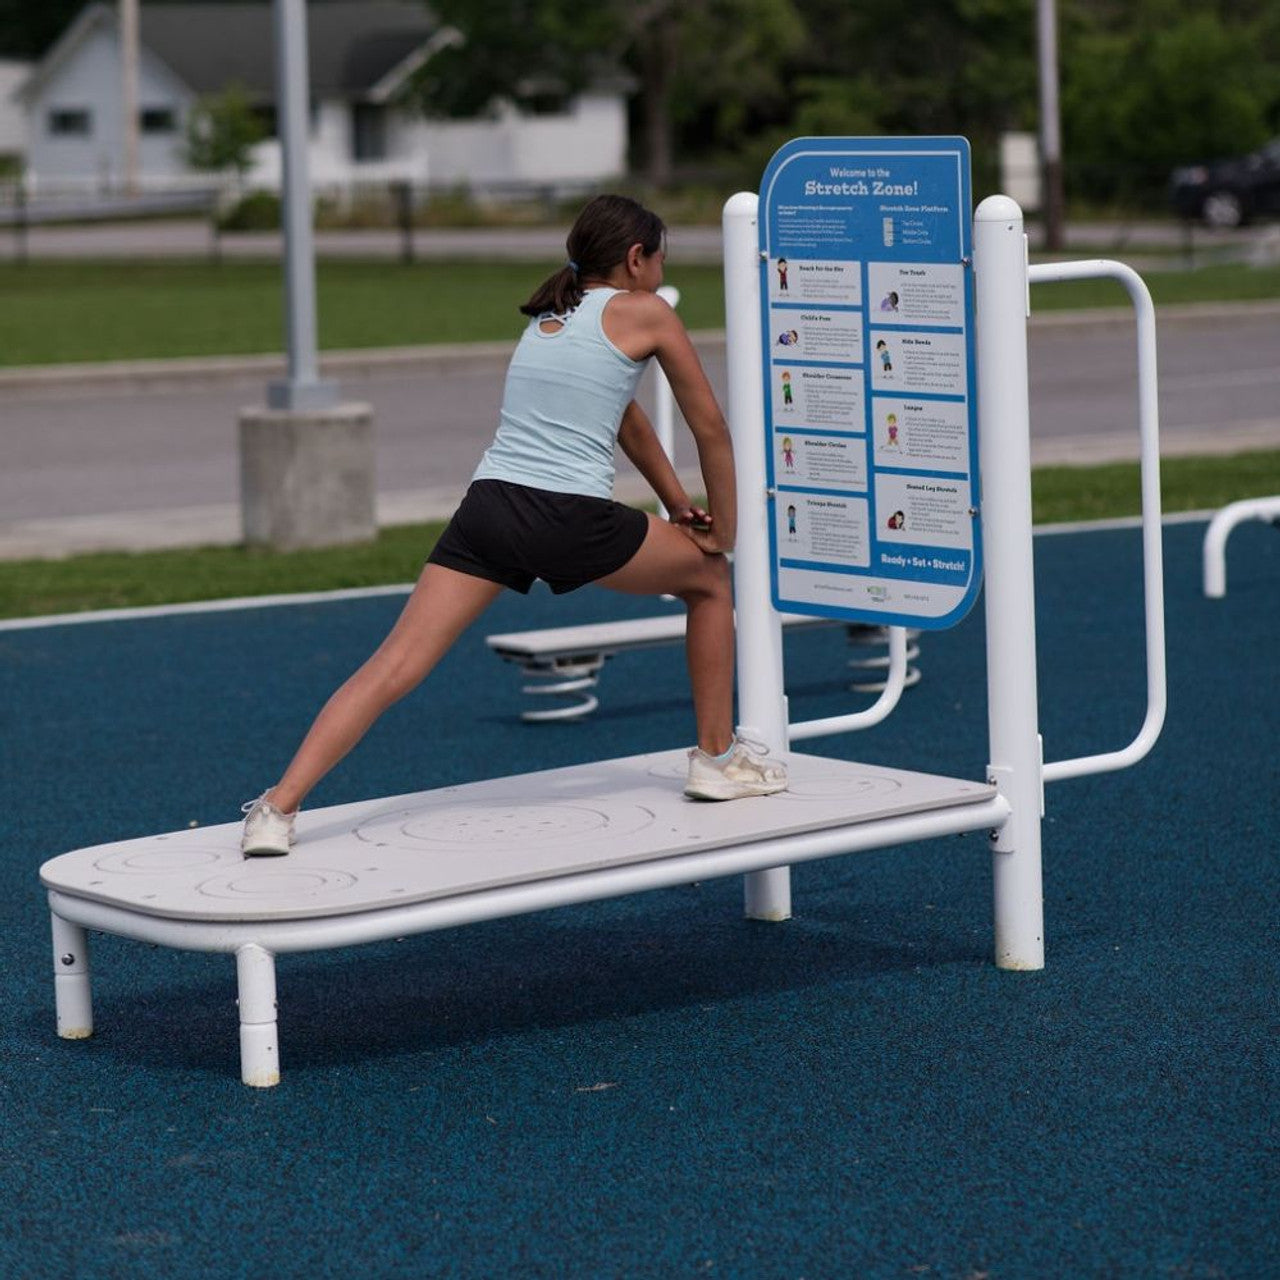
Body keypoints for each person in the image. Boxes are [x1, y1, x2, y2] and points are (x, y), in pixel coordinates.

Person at [241, 194, 787, 857]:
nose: (662, 265)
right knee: (709, 581)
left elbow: (625, 420)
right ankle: (714, 759)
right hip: (567, 517)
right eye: (661, 253)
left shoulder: (551, 318)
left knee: (395, 663)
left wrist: (674, 501)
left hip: (490, 508)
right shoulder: (649, 312)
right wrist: (721, 531)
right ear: (638, 259)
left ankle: (277, 807)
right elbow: (711, 429)